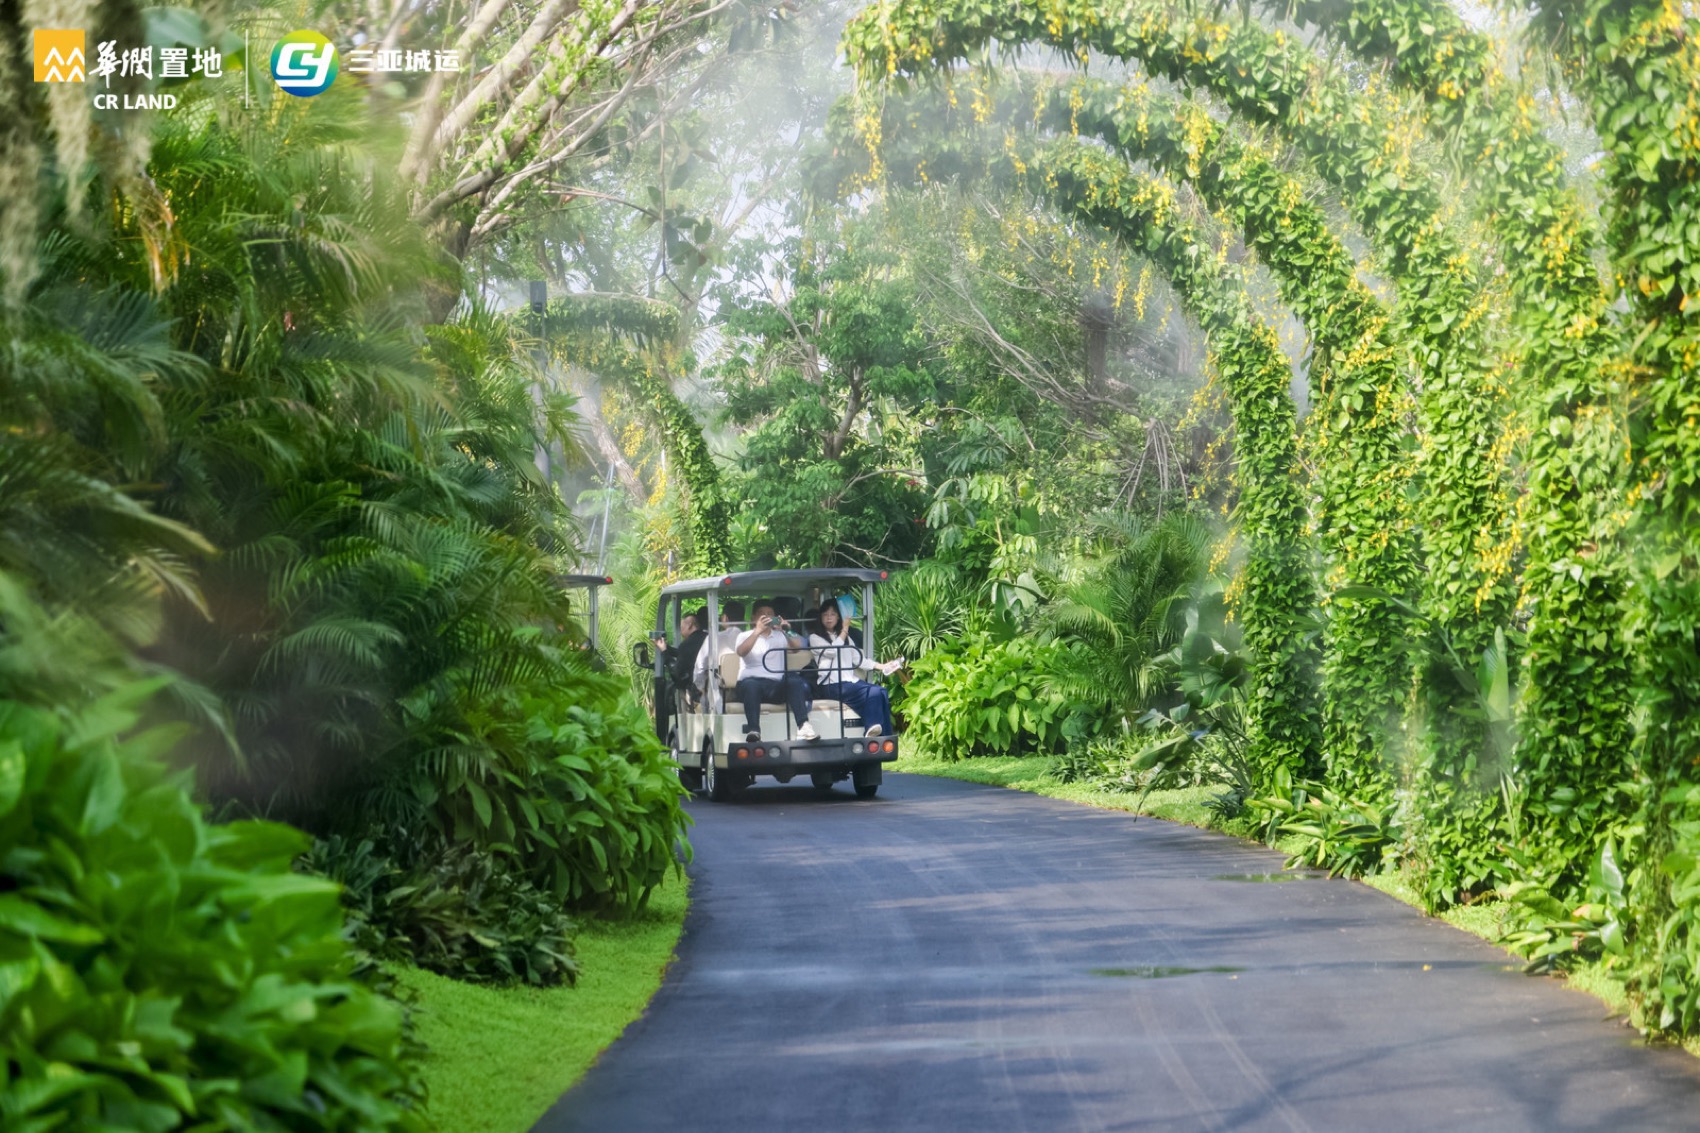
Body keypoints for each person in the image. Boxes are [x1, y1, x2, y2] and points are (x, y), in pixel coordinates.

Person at [809, 598, 899, 737]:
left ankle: (884, 736)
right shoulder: (815, 638)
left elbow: (858, 660)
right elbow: (832, 652)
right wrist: (845, 629)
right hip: (831, 685)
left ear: (838, 617)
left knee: (881, 692)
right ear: (820, 618)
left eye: (832, 614)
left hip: (849, 682)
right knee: (873, 692)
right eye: (825, 615)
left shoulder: (846, 637)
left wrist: (883, 666)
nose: (828, 618)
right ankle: (871, 730)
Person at [734, 603, 816, 742]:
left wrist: (786, 630)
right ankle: (754, 729)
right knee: (751, 685)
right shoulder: (744, 635)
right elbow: (741, 651)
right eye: (762, 613)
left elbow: (797, 648)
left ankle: (803, 725)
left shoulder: (779, 635)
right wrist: (757, 631)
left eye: (770, 613)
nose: (766, 616)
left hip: (774, 685)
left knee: (794, 680)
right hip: (750, 684)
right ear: (754, 618)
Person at [656, 609, 707, 705]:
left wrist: (664, 652)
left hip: (697, 694)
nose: (680, 629)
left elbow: (677, 675)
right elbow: (687, 653)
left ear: (690, 625)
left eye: (681, 625)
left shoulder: (687, 644)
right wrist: (667, 648)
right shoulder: (707, 638)